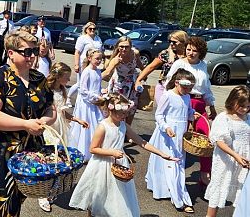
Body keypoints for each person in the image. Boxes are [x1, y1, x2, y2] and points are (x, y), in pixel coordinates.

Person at [0, 31, 56, 217]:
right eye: (26, 52)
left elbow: (51, 108)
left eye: (34, 51)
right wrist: (26, 124)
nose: (32, 56)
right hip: (1, 151)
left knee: (17, 201)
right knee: (6, 206)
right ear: (10, 53)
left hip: (30, 152)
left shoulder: (38, 79)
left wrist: (44, 120)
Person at [69, 93, 179, 217]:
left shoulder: (123, 126)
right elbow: (93, 149)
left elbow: (141, 142)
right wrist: (112, 152)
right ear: (111, 110)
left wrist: (162, 154)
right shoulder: (103, 127)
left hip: (119, 166)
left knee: (116, 197)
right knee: (97, 197)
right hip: (102, 165)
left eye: (126, 113)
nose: (125, 116)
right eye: (122, 113)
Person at [166, 36, 216, 186]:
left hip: (199, 104)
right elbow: (169, 83)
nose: (191, 53)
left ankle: (204, 173)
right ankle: (173, 174)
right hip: (183, 102)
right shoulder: (179, 63)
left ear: (201, 52)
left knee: (206, 140)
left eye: (195, 50)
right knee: (179, 139)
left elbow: (206, 87)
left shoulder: (203, 65)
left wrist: (211, 105)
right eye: (188, 49)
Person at [39, 62, 88, 212]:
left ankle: (52, 188)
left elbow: (63, 112)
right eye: (66, 77)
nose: (68, 80)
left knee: (59, 158)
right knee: (48, 158)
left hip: (61, 128)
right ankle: (43, 194)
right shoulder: (46, 89)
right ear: (58, 76)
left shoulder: (62, 89)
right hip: (49, 127)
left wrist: (76, 119)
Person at [145, 69, 196, 213]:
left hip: (180, 133)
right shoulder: (167, 96)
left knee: (178, 163)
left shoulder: (186, 97)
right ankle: (179, 198)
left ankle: (173, 190)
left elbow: (187, 111)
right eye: (185, 87)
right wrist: (166, 127)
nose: (187, 91)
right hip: (169, 135)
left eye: (190, 88)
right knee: (171, 162)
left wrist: (192, 114)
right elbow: (159, 115)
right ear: (177, 82)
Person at [205, 85, 250, 217]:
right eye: (242, 106)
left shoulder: (248, 118)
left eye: (248, 106)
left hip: (244, 159)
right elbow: (219, 141)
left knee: (241, 190)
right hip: (226, 159)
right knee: (219, 186)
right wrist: (235, 155)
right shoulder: (224, 117)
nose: (245, 109)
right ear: (233, 101)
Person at [135, 30, 189, 108]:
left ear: (183, 42)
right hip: (164, 87)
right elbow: (151, 67)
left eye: (174, 42)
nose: (171, 44)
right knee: (163, 110)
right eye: (170, 41)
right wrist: (139, 80)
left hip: (182, 89)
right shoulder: (166, 54)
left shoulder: (189, 55)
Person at [68, 48, 105, 162]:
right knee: (87, 125)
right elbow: (83, 90)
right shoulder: (87, 72)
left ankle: (95, 147)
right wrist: (95, 97)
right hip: (86, 104)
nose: (99, 61)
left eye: (100, 59)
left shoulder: (98, 71)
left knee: (97, 124)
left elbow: (97, 86)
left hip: (94, 103)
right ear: (89, 58)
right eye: (97, 59)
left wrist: (102, 92)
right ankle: (83, 151)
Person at [102, 36, 144, 125]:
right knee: (117, 106)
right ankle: (113, 126)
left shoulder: (135, 53)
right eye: (121, 46)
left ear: (130, 46)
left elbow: (142, 67)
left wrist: (140, 79)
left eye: (126, 46)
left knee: (131, 107)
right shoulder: (116, 57)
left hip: (131, 84)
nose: (124, 49)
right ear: (117, 46)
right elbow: (107, 70)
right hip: (118, 84)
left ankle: (127, 131)